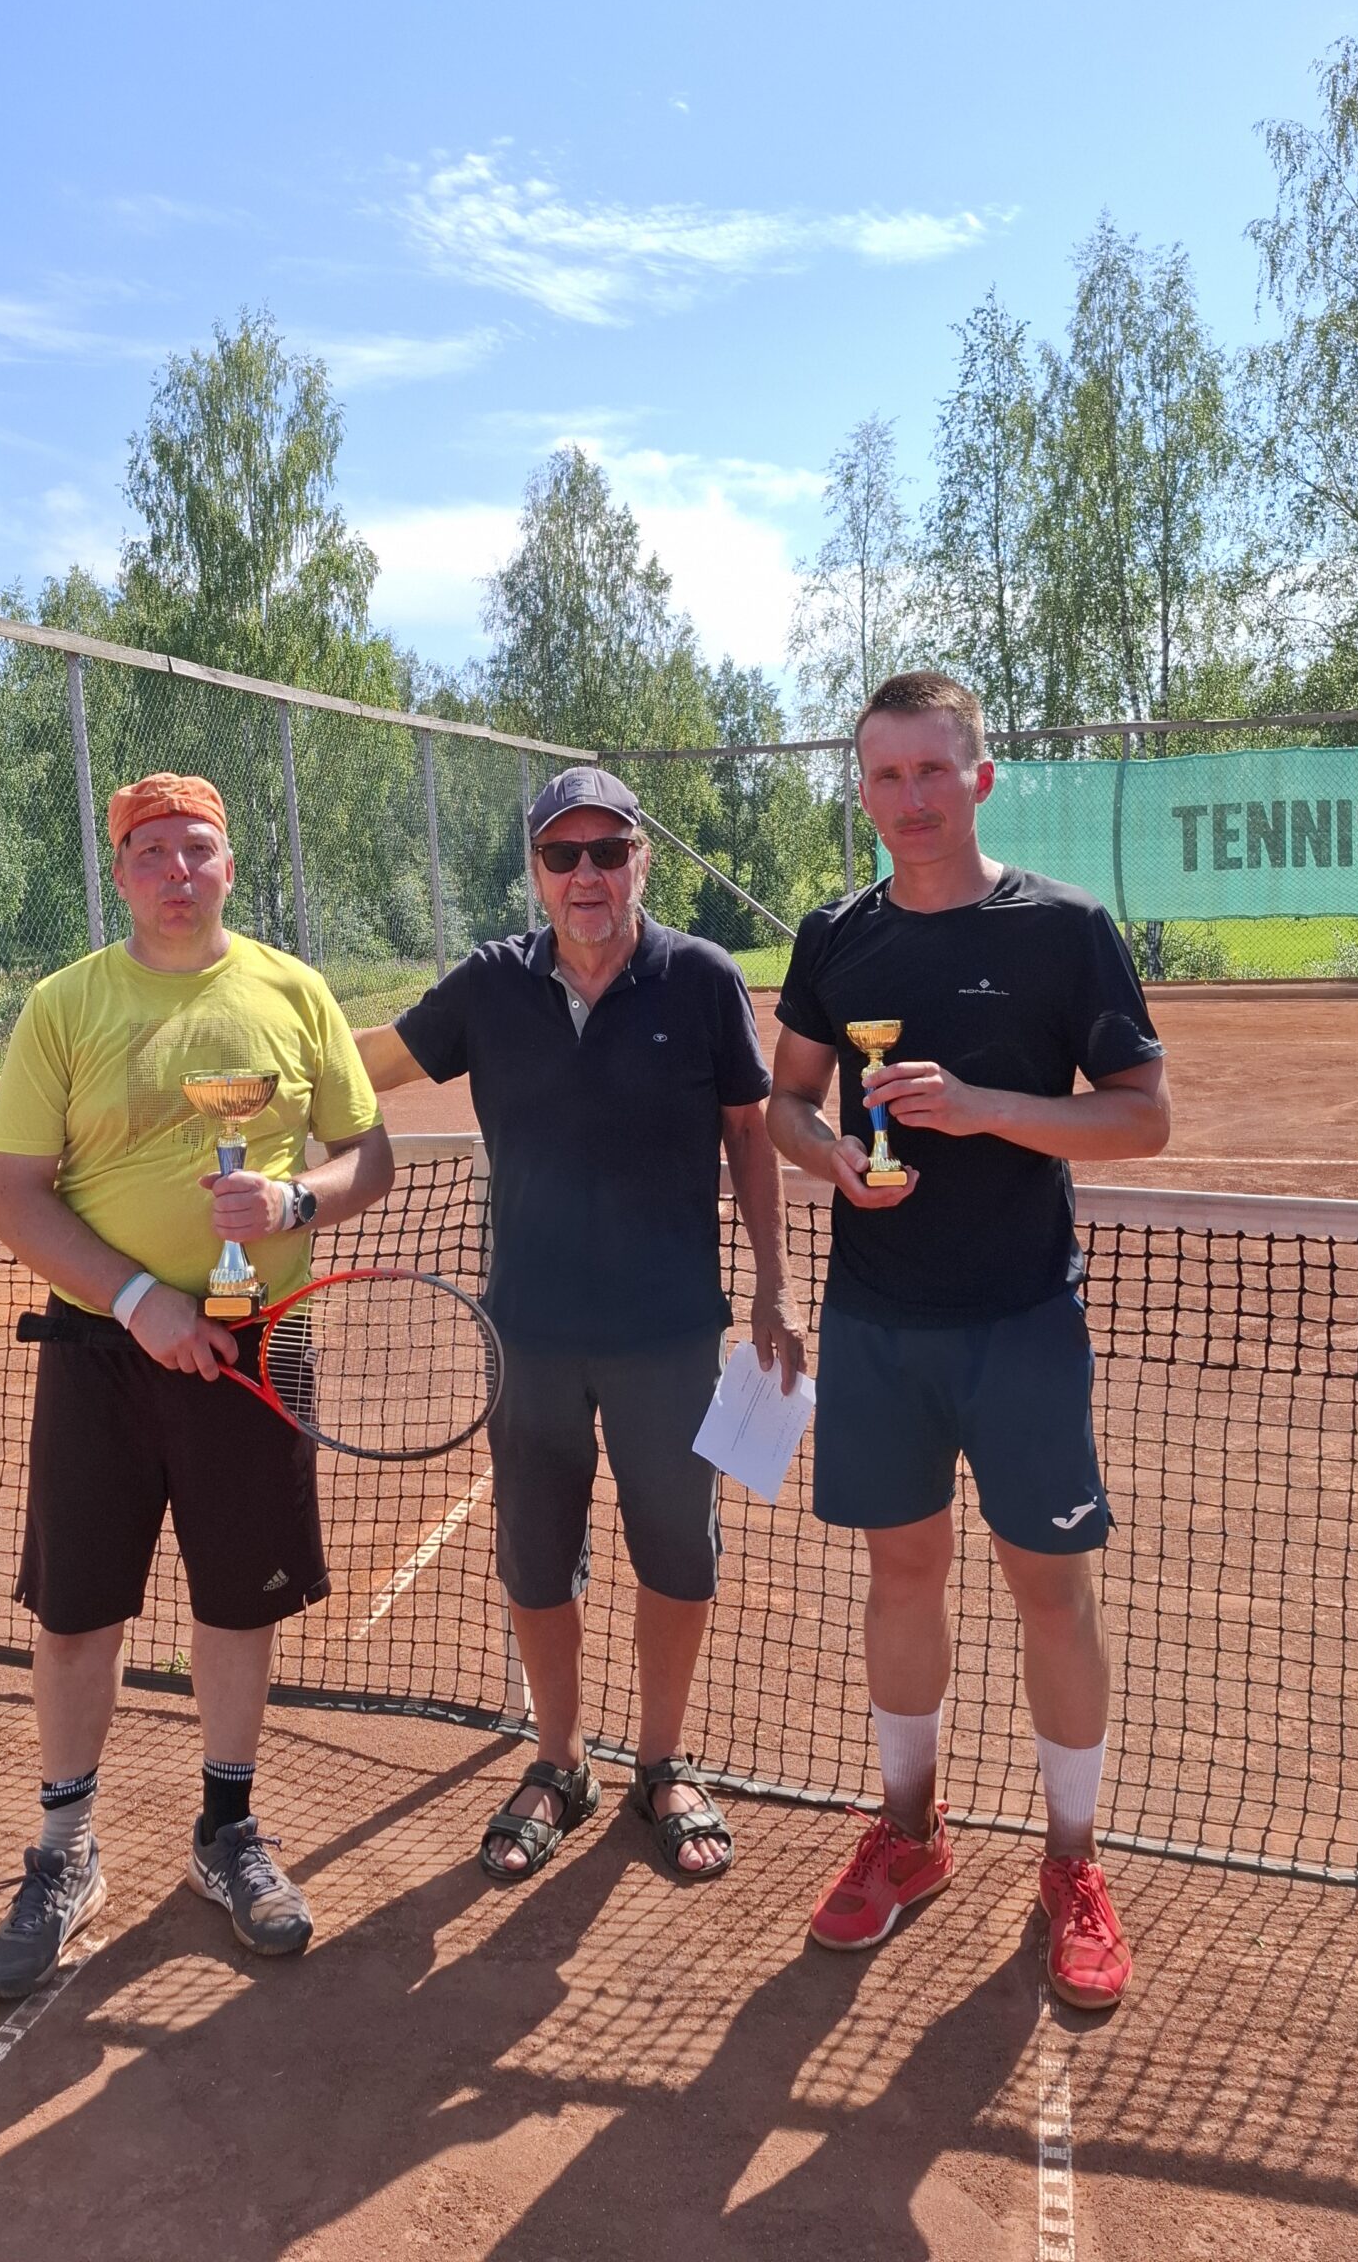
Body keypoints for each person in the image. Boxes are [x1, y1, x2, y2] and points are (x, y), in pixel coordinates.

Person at [765, 672, 1169, 2012]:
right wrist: (834, 1160)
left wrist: (985, 1105)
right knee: (902, 1577)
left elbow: (1142, 1116)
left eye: (934, 770)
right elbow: (788, 1102)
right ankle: (911, 1830)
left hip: (1023, 1322)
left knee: (1051, 1589)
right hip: (878, 1322)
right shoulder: (835, 936)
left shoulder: (1065, 929)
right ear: (863, 791)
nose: (912, 798)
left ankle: (1073, 1862)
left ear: (981, 777)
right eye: (887, 776)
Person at [0, 772, 393, 1993]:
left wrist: (297, 1201)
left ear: (229, 864)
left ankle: (227, 1828)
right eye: (150, 852)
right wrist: (138, 1299)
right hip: (102, 1351)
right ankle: (65, 1849)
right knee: (75, 1612)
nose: (176, 871)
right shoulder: (65, 1005)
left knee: (239, 1604)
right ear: (119, 872)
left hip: (259, 1346)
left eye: (196, 849)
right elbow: (14, 1195)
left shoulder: (293, 991)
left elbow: (367, 1153)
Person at [356, 766, 805, 1884]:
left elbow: (752, 1140)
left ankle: (662, 1762)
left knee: (679, 1557)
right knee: (537, 1558)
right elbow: (372, 1064)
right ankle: (558, 1760)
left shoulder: (703, 979)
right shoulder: (489, 984)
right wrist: (252, 1044)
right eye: (564, 855)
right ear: (537, 871)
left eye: (609, 851)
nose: (587, 874)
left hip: (671, 1335)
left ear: (641, 859)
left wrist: (775, 1286)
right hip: (531, 1338)